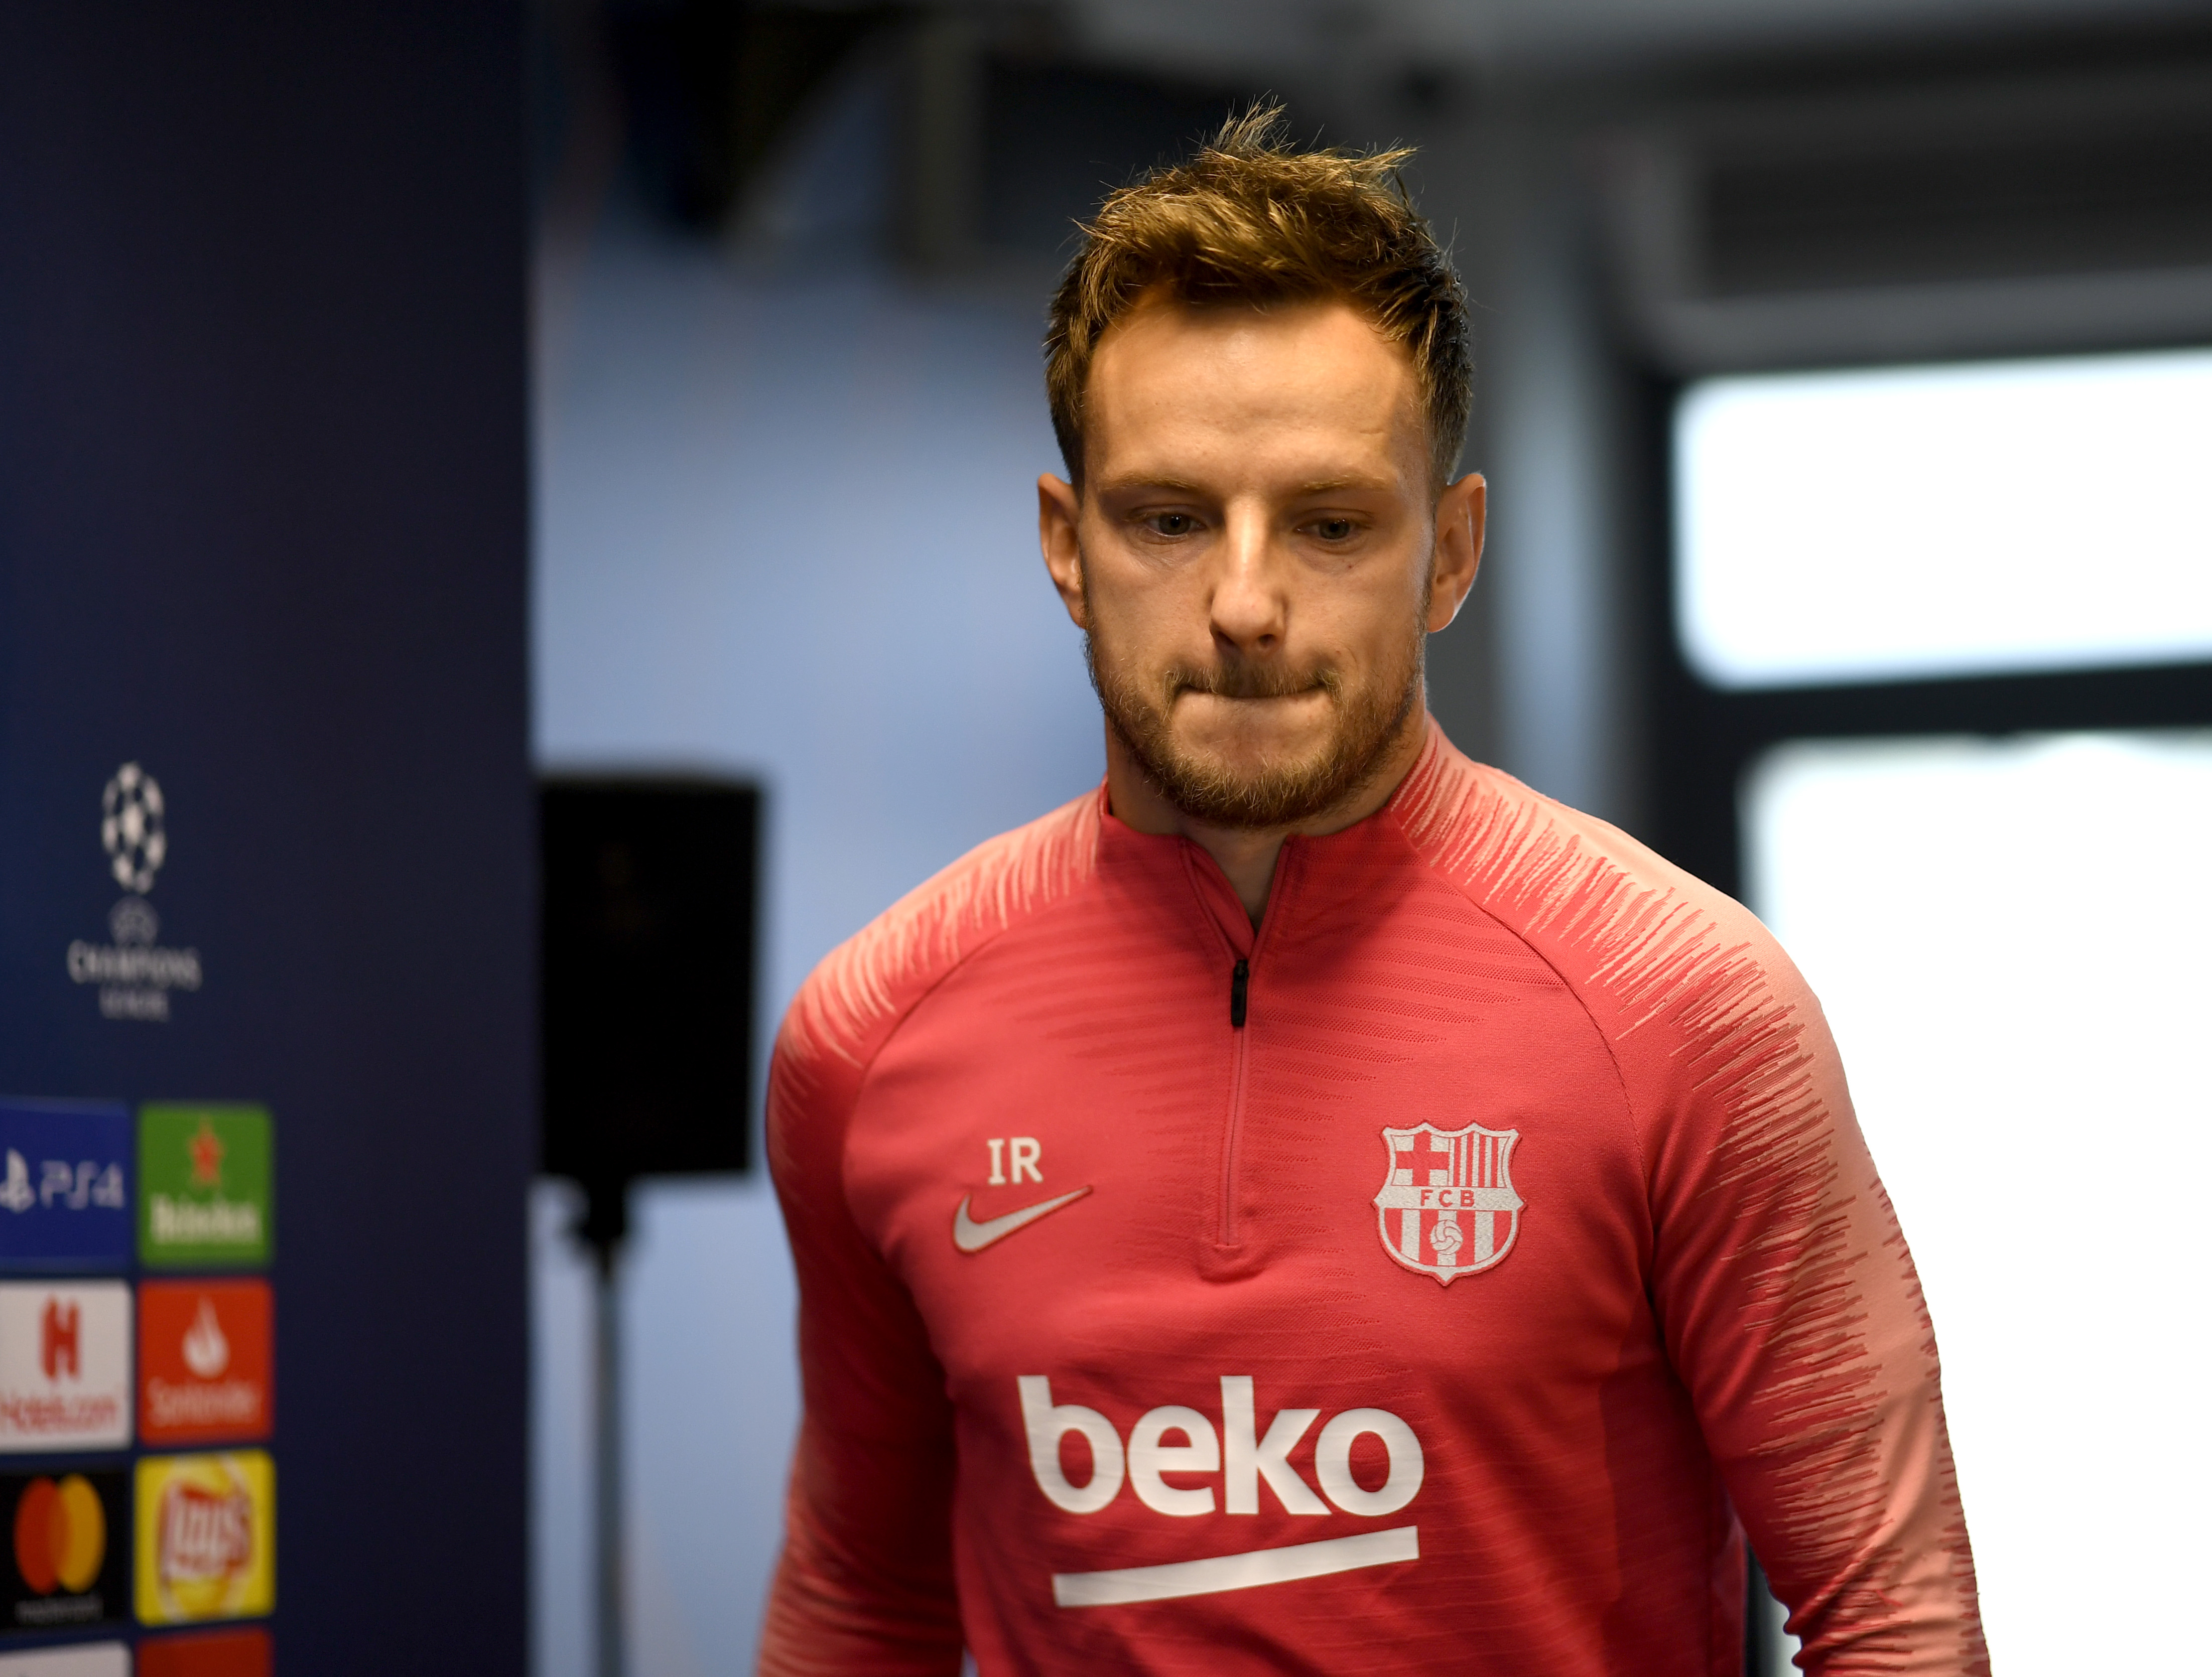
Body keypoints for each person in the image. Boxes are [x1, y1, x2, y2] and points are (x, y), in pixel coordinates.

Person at [759, 109, 1987, 1677]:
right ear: (1068, 548)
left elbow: (1893, 1618)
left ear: (1451, 554)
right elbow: (864, 1608)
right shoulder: (868, 1043)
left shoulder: (1685, 1008)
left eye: (1332, 525)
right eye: (1169, 520)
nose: (1247, 603)